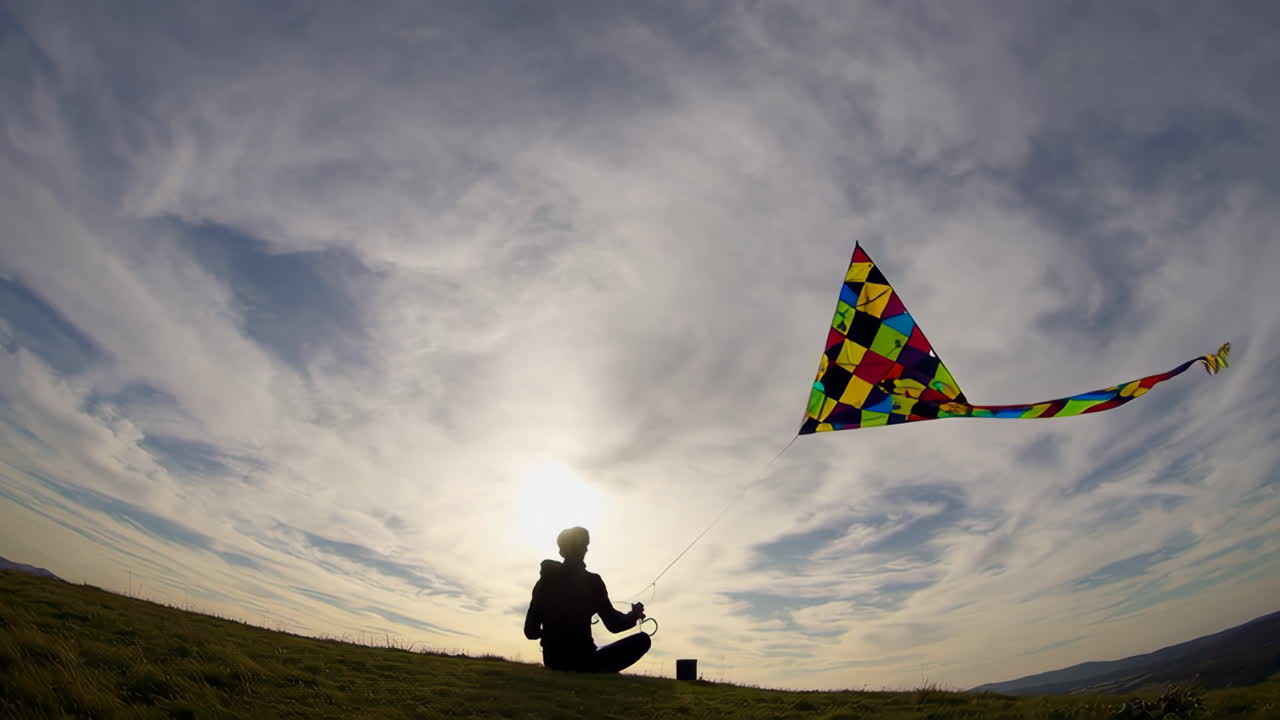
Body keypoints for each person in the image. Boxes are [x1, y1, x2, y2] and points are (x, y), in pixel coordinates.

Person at [523, 526, 651, 672]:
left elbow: (530, 632)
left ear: (561, 551)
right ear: (585, 550)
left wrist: (552, 633)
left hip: (553, 661)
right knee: (642, 640)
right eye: (585, 546)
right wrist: (634, 615)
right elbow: (614, 624)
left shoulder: (543, 583)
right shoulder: (593, 582)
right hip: (586, 661)